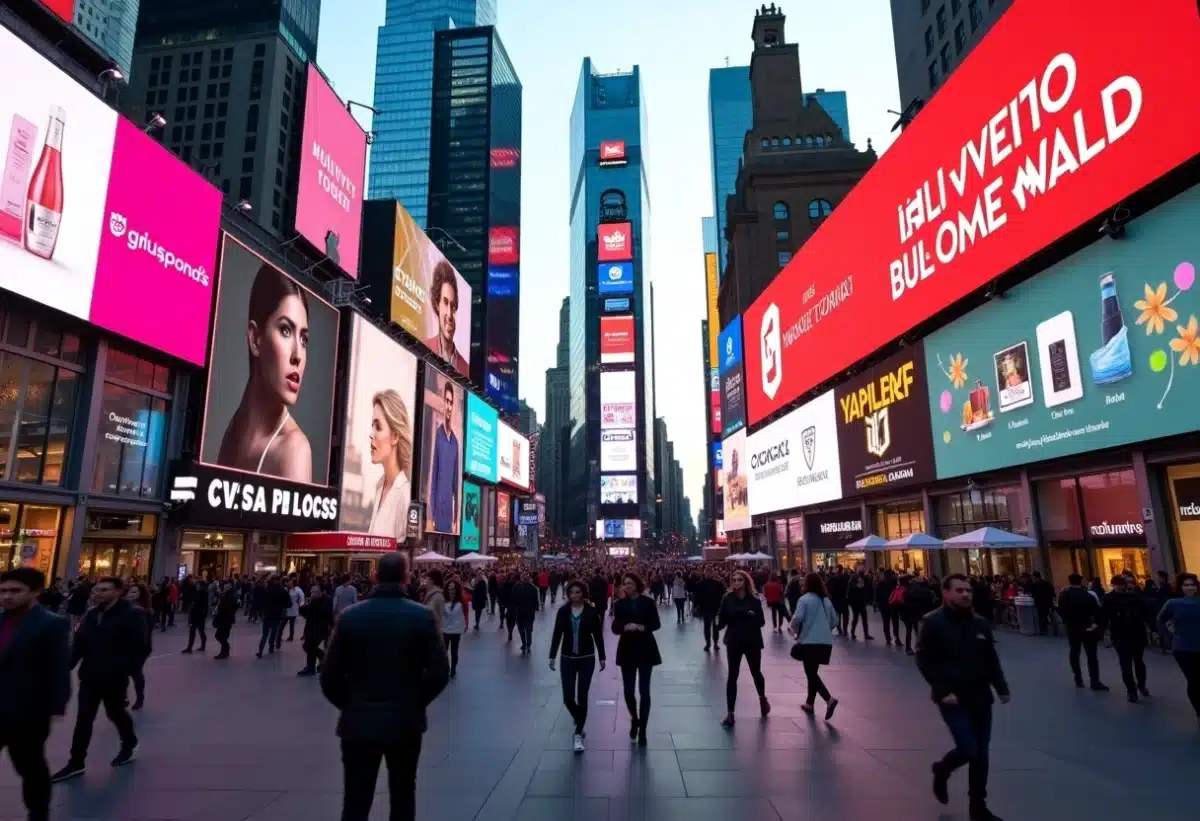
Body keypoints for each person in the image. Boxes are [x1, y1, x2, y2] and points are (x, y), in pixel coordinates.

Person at [320, 552, 450, 821]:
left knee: (356, 799)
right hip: (405, 722)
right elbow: (439, 672)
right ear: (406, 578)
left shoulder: (349, 617)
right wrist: (415, 701)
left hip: (357, 724)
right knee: (403, 795)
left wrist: (351, 704)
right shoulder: (422, 617)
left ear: (375, 577)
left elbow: (329, 676)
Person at [917, 574, 1010, 821]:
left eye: (968, 590)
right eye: (959, 590)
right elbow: (924, 659)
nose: (966, 595)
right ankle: (943, 769)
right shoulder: (933, 622)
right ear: (945, 593)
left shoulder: (980, 623)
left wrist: (1001, 687)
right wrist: (941, 690)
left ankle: (978, 805)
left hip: (981, 695)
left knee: (981, 753)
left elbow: (990, 658)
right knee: (969, 748)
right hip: (952, 698)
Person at [215, 261, 314, 482]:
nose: (298, 355)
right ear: (255, 339)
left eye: (304, 339)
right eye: (286, 330)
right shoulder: (234, 430)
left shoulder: (294, 450)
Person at [52, 577, 146, 782]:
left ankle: (129, 742)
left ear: (119, 591)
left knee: (116, 713)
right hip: (89, 677)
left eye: (104, 589)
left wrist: (125, 669)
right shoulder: (92, 615)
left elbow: (141, 647)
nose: (98, 593)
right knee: (83, 719)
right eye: (97, 589)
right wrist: (63, 668)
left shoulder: (132, 615)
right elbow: (79, 646)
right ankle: (76, 762)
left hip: (114, 678)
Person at [0, 567, 70, 821]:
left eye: (15, 591)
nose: (7, 597)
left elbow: (59, 667)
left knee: (29, 767)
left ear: (35, 592)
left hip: (27, 712)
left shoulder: (51, 624)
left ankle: (38, 813)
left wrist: (55, 706)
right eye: (3, 591)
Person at [549, 580, 607, 752]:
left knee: (582, 695)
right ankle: (579, 717)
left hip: (586, 657)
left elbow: (598, 634)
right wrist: (552, 655)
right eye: (572, 592)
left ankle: (578, 733)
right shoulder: (563, 611)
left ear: (584, 593)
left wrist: (602, 657)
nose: (574, 595)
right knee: (568, 697)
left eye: (578, 592)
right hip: (567, 657)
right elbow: (557, 633)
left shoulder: (591, 612)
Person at [611, 572, 661, 746]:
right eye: (625, 583)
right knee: (628, 690)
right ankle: (634, 718)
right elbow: (615, 627)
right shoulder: (619, 604)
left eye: (630, 583)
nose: (627, 586)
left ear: (637, 585)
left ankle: (644, 730)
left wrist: (642, 627)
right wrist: (625, 627)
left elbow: (656, 624)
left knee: (644, 691)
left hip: (646, 648)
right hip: (627, 650)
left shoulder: (648, 603)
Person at [716, 570, 769, 727]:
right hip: (734, 641)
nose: (736, 582)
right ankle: (730, 713)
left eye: (740, 580)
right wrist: (717, 624)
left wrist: (748, 614)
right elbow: (723, 620)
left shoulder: (754, 600)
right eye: (734, 579)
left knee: (756, 672)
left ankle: (762, 699)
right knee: (732, 676)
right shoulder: (727, 599)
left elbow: (761, 621)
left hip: (752, 640)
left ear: (746, 582)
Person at [790, 572, 839, 719]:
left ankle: (828, 699)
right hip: (825, 642)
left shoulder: (804, 600)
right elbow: (834, 621)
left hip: (809, 641)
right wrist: (824, 629)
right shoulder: (826, 601)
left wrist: (794, 629)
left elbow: (797, 618)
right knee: (813, 672)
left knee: (810, 673)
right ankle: (809, 703)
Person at [366, 389, 414, 538]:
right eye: (372, 426)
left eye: (378, 427)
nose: (371, 434)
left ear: (395, 437)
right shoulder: (380, 487)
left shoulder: (404, 495)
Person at [1157, 573, 1200, 723]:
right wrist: (1169, 635)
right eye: (1186, 585)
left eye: (1192, 585)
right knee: (1194, 680)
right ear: (1180, 587)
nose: (1190, 588)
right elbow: (1160, 619)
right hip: (1184, 648)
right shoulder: (1173, 603)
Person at [1101, 574, 1150, 702]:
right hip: (1134, 632)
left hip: (1121, 634)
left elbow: (1104, 617)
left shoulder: (1108, 598)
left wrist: (1105, 631)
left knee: (1127, 663)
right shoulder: (1134, 597)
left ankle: (1133, 690)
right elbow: (1145, 613)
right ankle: (1139, 687)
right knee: (1136, 662)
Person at [1057, 573, 1108, 691]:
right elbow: (1098, 612)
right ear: (1081, 582)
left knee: (1074, 652)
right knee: (1091, 655)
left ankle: (1078, 678)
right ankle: (1094, 681)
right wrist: (1095, 624)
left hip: (1072, 628)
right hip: (1087, 627)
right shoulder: (1087, 595)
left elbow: (1060, 610)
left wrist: (1067, 620)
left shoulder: (1064, 595)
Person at [422, 260, 469, 375]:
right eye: (445, 302)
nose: (449, 314)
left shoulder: (466, 369)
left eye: (453, 306)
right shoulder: (423, 347)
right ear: (437, 304)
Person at [427, 380, 461, 534]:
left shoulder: (455, 442)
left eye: (451, 402)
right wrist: (431, 514)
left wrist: (456, 519)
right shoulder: (437, 434)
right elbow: (432, 477)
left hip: (450, 517)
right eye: (446, 401)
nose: (448, 406)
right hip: (436, 515)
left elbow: (456, 485)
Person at [124, 583, 155, 710]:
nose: (131, 595)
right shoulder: (123, 609)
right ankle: (123, 696)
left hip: (140, 647)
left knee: (136, 672)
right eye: (130, 592)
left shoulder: (146, 612)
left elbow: (146, 632)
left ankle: (139, 698)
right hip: (123, 646)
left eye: (135, 593)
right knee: (121, 673)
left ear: (141, 595)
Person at [298, 585, 334, 677]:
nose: (312, 594)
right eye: (311, 592)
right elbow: (305, 613)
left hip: (320, 628)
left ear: (321, 592)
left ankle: (311, 668)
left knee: (310, 647)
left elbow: (326, 613)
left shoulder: (326, 600)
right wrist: (304, 605)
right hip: (311, 627)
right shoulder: (313, 601)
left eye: (314, 592)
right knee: (308, 646)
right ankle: (321, 660)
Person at [256, 574, 291, 657]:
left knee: (265, 634)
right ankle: (271, 648)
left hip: (267, 614)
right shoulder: (282, 591)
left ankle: (260, 651)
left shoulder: (267, 589)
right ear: (279, 581)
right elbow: (288, 604)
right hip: (277, 615)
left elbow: (262, 600)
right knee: (274, 633)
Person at [694, 570, 725, 652]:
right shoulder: (700, 584)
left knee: (715, 627)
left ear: (712, 573)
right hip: (706, 608)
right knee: (707, 627)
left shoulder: (717, 583)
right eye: (707, 572)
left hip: (715, 609)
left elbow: (722, 594)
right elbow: (697, 596)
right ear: (704, 573)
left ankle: (715, 643)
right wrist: (695, 606)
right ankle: (708, 643)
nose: (709, 574)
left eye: (710, 572)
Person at [511, 572, 540, 654]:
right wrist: (536, 607)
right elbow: (535, 601)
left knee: (521, 629)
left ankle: (524, 643)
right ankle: (528, 645)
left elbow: (513, 599)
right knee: (529, 630)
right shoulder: (533, 588)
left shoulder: (516, 587)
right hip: (530, 612)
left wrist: (514, 608)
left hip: (520, 612)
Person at [442, 578, 466, 677]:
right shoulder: (444, 600)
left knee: (454, 651)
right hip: (445, 629)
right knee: (444, 650)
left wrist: (465, 625)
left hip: (456, 630)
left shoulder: (461, 601)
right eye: (450, 589)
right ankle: (446, 667)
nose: (452, 591)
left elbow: (464, 615)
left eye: (454, 589)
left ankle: (453, 669)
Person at [181, 576, 210, 655]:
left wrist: (203, 614)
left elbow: (203, 605)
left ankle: (196, 647)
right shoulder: (198, 592)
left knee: (199, 631)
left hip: (199, 615)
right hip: (196, 614)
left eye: (199, 585)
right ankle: (191, 647)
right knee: (195, 631)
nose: (197, 586)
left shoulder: (203, 594)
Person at [212, 580, 239, 659]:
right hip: (223, 617)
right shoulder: (225, 593)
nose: (225, 586)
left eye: (227, 585)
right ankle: (225, 650)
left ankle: (224, 651)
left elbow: (233, 606)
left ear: (230, 585)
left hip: (227, 618)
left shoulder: (232, 595)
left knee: (222, 636)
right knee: (219, 635)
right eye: (225, 585)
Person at [847, 570, 873, 640]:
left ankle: (853, 632)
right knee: (862, 617)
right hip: (858, 602)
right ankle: (865, 634)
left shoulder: (852, 581)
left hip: (856, 602)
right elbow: (863, 587)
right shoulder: (858, 581)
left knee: (856, 618)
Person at [422, 570, 447, 635]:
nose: (425, 582)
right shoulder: (432, 594)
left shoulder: (437, 596)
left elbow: (432, 615)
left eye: (426, 579)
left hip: (433, 633)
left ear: (432, 580)